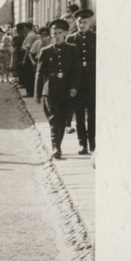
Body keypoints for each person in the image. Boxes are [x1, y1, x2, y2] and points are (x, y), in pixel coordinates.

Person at [34, 19, 81, 160]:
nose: (57, 36)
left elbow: (77, 71)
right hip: (51, 90)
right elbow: (39, 73)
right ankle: (56, 148)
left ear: (65, 33)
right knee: (54, 120)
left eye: (60, 33)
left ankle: (57, 145)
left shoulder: (73, 49)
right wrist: (37, 93)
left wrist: (74, 87)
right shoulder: (45, 51)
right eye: (54, 33)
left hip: (67, 90)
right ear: (50, 34)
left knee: (63, 119)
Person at [67, 8, 96, 154]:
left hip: (92, 83)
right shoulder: (71, 39)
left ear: (91, 22)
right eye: (80, 22)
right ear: (76, 22)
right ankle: (82, 144)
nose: (82, 24)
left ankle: (93, 143)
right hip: (77, 84)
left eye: (85, 22)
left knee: (92, 115)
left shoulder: (97, 38)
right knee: (79, 115)